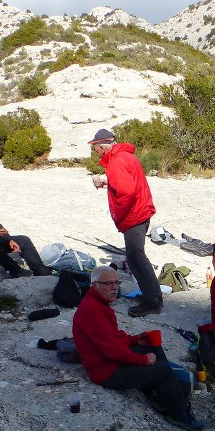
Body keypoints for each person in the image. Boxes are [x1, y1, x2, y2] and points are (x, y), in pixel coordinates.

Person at [73, 266, 204, 431]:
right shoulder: (92, 310)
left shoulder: (100, 304)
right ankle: (177, 413)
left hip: (110, 361)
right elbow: (112, 351)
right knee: (162, 369)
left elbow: (113, 338)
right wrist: (143, 360)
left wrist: (135, 340)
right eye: (108, 283)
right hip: (107, 372)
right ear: (95, 286)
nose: (115, 287)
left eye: (116, 282)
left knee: (152, 346)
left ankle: (162, 393)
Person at [88, 128, 162, 318]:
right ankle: (152, 296)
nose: (95, 152)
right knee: (136, 257)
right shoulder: (124, 157)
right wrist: (106, 183)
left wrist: (120, 216)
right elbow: (126, 184)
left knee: (136, 258)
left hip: (134, 215)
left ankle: (152, 300)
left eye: (95, 148)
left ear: (102, 147)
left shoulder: (116, 162)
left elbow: (127, 193)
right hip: (141, 211)